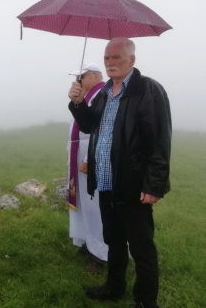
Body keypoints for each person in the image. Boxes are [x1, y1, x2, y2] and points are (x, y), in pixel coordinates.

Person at [68, 37, 171, 308]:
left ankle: (146, 301)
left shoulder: (148, 90)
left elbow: (160, 140)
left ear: (131, 60)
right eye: (106, 58)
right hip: (106, 182)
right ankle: (114, 287)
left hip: (134, 184)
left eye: (116, 57)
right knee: (114, 240)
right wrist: (78, 103)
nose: (110, 63)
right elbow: (90, 126)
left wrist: (154, 184)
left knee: (142, 248)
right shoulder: (103, 94)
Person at [66, 62, 108, 265]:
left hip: (91, 156)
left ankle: (102, 251)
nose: (77, 82)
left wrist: (89, 159)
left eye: (80, 77)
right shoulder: (89, 96)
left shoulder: (103, 94)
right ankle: (87, 241)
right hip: (79, 151)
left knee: (94, 205)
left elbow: (101, 129)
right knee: (83, 203)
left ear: (94, 76)